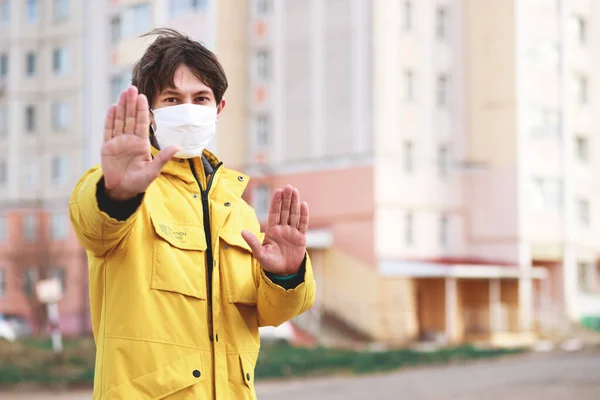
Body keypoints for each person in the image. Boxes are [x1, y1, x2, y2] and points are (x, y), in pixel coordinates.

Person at [69, 28, 316, 400]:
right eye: (172, 99)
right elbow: (94, 227)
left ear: (218, 109)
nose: (188, 109)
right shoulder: (124, 188)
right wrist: (116, 194)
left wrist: (285, 275)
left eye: (200, 98)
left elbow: (270, 314)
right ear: (149, 111)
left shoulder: (238, 210)